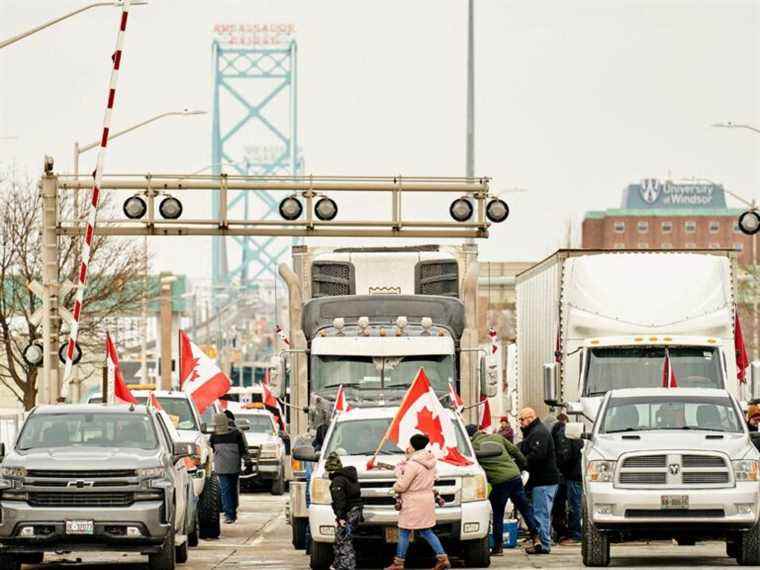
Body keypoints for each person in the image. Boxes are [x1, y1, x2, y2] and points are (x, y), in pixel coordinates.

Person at [466, 424, 539, 557]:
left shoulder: (471, 447)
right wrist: (523, 464)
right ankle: (536, 538)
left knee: (498, 514)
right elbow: (515, 451)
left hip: (499, 482)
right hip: (515, 476)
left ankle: (498, 548)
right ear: (480, 431)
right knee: (525, 508)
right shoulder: (497, 437)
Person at [384, 434, 450, 570]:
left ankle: (399, 563)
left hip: (412, 501)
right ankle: (443, 558)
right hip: (427, 499)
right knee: (426, 531)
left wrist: (394, 487)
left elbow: (402, 485)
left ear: (413, 446)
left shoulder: (413, 464)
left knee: (404, 531)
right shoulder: (430, 461)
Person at [518, 407, 560, 555]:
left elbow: (537, 456)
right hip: (542, 481)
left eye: (522, 419)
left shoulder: (538, 433)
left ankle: (544, 544)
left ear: (530, 418)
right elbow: (524, 448)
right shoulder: (534, 432)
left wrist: (521, 461)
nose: (520, 423)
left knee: (541, 513)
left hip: (544, 481)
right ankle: (542, 542)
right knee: (541, 512)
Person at [325, 452, 363, 570]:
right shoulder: (349, 477)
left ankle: (347, 565)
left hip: (348, 513)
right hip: (356, 510)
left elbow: (339, 500)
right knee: (341, 537)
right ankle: (338, 564)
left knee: (344, 539)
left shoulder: (338, 481)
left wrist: (340, 517)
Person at [209, 412, 248, 525]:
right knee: (232, 488)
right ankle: (231, 512)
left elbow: (211, 447)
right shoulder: (237, 433)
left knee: (226, 489)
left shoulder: (214, 435)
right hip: (234, 466)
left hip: (221, 466)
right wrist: (246, 459)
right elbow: (243, 449)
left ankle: (229, 514)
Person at [551, 413, 583, 546]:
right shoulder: (572, 432)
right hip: (578, 472)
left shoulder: (560, 433)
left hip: (572, 475)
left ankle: (576, 535)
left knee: (574, 505)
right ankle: (574, 533)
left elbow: (565, 455)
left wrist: (560, 468)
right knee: (575, 504)